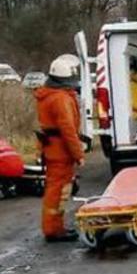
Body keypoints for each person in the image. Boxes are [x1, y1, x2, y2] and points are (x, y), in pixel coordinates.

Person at [34, 54, 85, 241]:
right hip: (60, 152)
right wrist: (78, 153)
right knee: (58, 191)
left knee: (58, 191)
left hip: (53, 150)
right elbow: (68, 130)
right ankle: (53, 229)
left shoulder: (49, 95)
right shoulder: (60, 99)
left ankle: (55, 227)